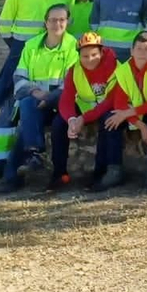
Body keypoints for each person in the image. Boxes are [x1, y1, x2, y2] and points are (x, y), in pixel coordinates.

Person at [0, 0, 75, 177]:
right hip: (23, 51)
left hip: (53, 51)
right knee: (9, 108)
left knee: (28, 108)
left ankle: (22, 162)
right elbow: (5, 25)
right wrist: (20, 47)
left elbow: (68, 21)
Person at [0, 3, 79, 192]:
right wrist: (36, 93)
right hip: (35, 103)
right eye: (52, 20)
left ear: (67, 22)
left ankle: (30, 159)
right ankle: (30, 159)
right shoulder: (31, 45)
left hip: (62, 103)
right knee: (27, 105)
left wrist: (49, 98)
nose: (56, 24)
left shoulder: (74, 46)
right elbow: (19, 77)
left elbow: (72, 82)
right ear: (45, 22)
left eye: (61, 19)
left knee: (30, 118)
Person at [101, 29, 147, 190]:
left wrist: (128, 113)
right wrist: (140, 125)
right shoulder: (124, 70)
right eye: (138, 48)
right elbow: (119, 104)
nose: (142, 53)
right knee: (110, 119)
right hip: (136, 112)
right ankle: (114, 169)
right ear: (131, 50)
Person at [52, 30, 118, 191]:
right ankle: (59, 174)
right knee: (58, 123)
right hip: (85, 109)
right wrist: (71, 120)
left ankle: (100, 174)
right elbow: (66, 99)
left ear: (102, 52)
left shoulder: (116, 67)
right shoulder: (74, 70)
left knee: (107, 121)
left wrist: (84, 118)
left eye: (94, 55)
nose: (89, 60)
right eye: (85, 56)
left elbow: (110, 101)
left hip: (108, 108)